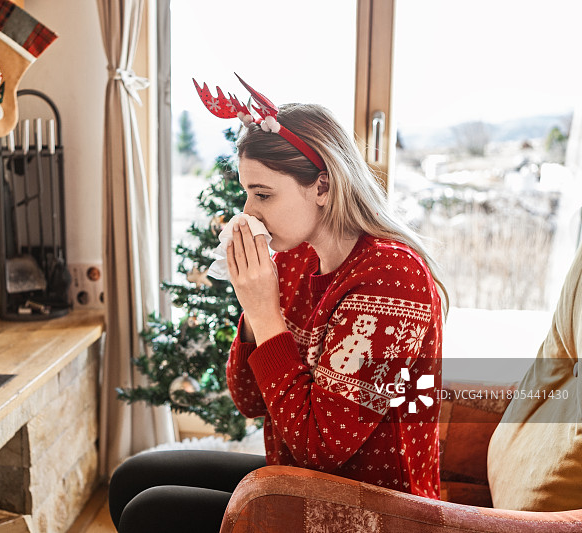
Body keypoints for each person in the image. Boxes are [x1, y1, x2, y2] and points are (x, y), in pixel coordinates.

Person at [108, 100, 447, 532]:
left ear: (322, 187)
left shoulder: (390, 277)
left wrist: (265, 311)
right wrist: (253, 309)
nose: (248, 211)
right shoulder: (295, 257)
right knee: (132, 480)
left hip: (373, 513)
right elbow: (249, 400)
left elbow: (321, 445)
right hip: (308, 481)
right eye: (247, 192)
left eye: (264, 194)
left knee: (151, 512)